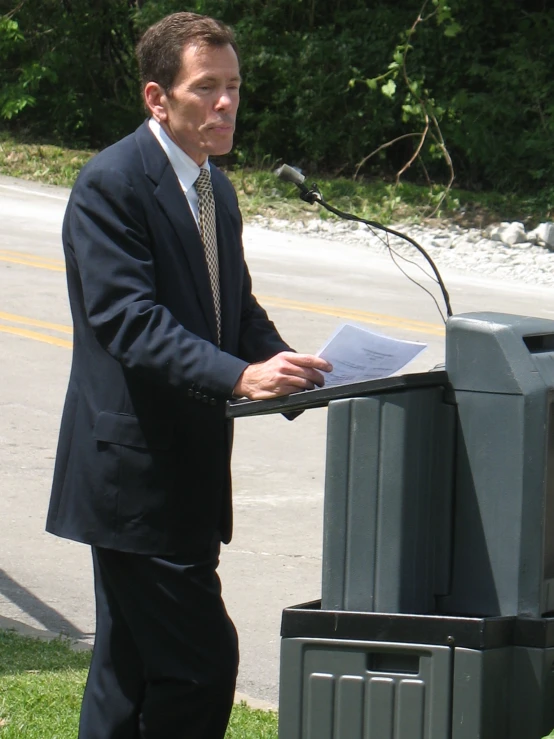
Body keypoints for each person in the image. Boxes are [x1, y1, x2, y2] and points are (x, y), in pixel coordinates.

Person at [45, 11, 331, 739]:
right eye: (207, 87)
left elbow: (229, 308)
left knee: (125, 674)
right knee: (201, 664)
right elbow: (132, 324)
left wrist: (296, 368)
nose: (227, 102)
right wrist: (241, 378)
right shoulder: (112, 185)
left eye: (234, 86)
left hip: (188, 478)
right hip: (133, 482)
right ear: (157, 97)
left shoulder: (215, 189)